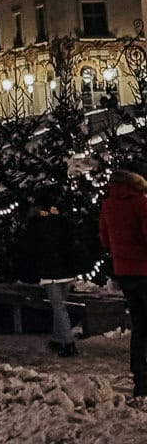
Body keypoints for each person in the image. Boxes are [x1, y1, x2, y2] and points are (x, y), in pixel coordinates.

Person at [98, 166, 147, 399]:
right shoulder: (140, 202)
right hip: (145, 269)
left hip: (125, 272)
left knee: (139, 324)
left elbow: (105, 239)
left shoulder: (108, 204)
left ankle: (141, 377)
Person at [18, 189, 78, 356]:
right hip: (67, 269)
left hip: (50, 271)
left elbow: (30, 248)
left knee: (58, 306)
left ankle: (68, 342)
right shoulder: (62, 220)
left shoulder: (36, 223)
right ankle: (59, 338)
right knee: (60, 305)